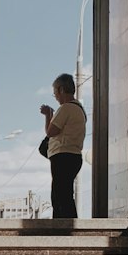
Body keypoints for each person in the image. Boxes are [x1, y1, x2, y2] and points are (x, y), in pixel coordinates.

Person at [39, 74, 86, 219]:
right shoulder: (80, 109)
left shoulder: (66, 108)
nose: (56, 97)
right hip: (74, 155)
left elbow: (51, 131)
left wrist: (48, 115)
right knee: (64, 193)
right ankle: (66, 225)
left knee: (60, 196)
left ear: (60, 89)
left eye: (55, 93)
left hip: (63, 155)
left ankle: (63, 226)